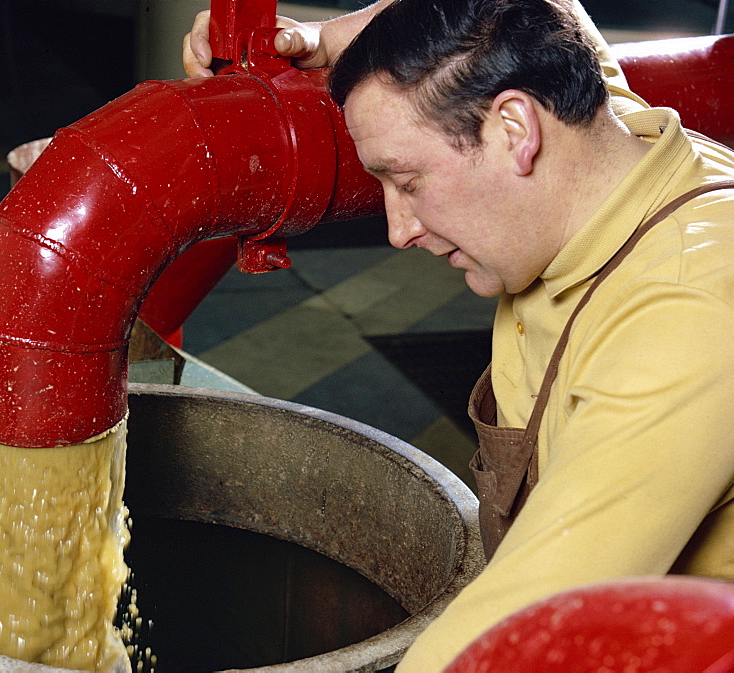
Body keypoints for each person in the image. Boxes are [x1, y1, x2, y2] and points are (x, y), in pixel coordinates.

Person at [186, 1, 734, 671]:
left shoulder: (692, 303)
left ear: (512, 130)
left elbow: (522, 630)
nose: (398, 229)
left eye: (408, 181)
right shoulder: (594, 131)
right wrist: (316, 38)